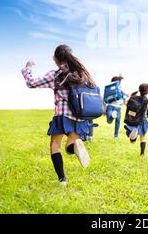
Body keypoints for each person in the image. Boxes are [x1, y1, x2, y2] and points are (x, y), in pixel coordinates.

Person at [21, 44, 95, 186]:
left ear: (55, 58)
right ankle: (75, 145)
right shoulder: (82, 74)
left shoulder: (55, 75)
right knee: (70, 145)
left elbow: (31, 83)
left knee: (55, 145)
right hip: (80, 116)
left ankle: (62, 180)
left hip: (62, 115)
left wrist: (28, 68)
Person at [124, 84, 148, 158]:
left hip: (131, 119)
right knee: (142, 137)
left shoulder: (132, 98)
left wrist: (131, 96)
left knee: (131, 139)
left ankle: (132, 136)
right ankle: (142, 154)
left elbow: (126, 103)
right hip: (141, 121)